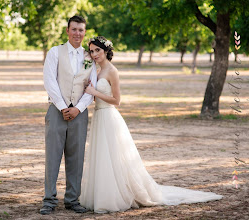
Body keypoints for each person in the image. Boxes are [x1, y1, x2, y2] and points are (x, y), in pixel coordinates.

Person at [80, 36, 223, 213]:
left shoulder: (112, 71)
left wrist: (94, 92)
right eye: (91, 51)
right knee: (102, 158)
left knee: (114, 158)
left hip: (109, 117)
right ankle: (102, 194)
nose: (94, 54)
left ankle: (117, 196)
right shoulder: (96, 71)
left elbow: (117, 101)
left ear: (106, 51)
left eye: (97, 50)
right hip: (98, 118)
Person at [40, 15, 97, 215]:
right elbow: (50, 82)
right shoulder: (55, 52)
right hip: (56, 111)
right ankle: (49, 200)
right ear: (67, 31)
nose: (77, 33)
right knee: (52, 158)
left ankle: (73, 200)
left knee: (76, 158)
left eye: (81, 30)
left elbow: (92, 86)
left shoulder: (90, 58)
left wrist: (77, 109)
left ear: (84, 32)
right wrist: (64, 107)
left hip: (79, 114)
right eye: (74, 29)